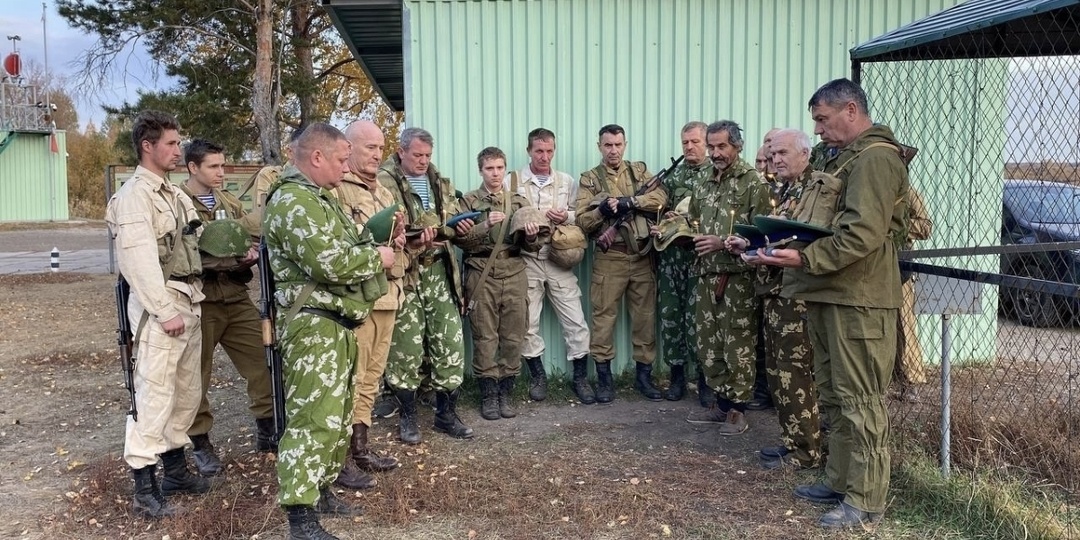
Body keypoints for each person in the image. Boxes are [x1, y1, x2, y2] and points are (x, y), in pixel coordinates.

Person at [754, 78, 909, 528]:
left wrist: (804, 256)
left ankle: (865, 499)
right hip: (829, 292)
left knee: (860, 400)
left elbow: (862, 233)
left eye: (822, 119)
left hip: (858, 301)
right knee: (835, 396)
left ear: (851, 111)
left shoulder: (877, 159)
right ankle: (840, 480)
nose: (818, 130)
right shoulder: (847, 159)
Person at [264, 122, 396, 539]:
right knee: (312, 418)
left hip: (335, 323)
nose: (345, 168)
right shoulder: (293, 201)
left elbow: (352, 241)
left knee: (336, 417)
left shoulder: (320, 198)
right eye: (341, 159)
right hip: (312, 325)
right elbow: (331, 263)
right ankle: (300, 517)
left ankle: (320, 489)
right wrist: (379, 258)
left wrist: (372, 244)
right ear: (316, 157)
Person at [106, 110, 211, 518]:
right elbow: (138, 261)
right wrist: (164, 310)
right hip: (161, 307)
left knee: (185, 393)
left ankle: (174, 471)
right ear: (147, 146)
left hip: (189, 298)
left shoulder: (174, 194)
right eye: (170, 142)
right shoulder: (135, 196)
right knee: (153, 396)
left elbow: (198, 238)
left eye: (178, 141)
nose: (178, 149)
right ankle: (145, 488)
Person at [178, 139, 275, 476]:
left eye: (222, 165)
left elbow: (243, 244)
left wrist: (246, 257)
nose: (221, 172)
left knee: (263, 361)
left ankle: (268, 430)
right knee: (195, 376)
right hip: (200, 302)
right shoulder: (179, 204)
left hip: (235, 296)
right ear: (193, 167)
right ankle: (200, 442)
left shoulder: (230, 203)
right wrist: (220, 258)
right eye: (213, 167)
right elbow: (180, 255)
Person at [728, 128, 822, 469]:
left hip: (797, 295)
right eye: (772, 155)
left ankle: (808, 452)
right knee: (779, 371)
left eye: (782, 154)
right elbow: (778, 235)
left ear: (805, 154)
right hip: (775, 292)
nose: (774, 160)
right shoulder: (787, 189)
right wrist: (750, 246)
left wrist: (765, 253)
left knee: (795, 374)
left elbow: (806, 240)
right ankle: (794, 441)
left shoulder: (815, 189)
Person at [378, 127, 474, 444]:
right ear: (401, 151)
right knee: (405, 347)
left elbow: (451, 219)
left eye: (427, 156)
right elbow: (386, 227)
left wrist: (459, 224)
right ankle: (407, 418)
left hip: (439, 271)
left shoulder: (439, 181)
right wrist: (423, 232)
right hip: (406, 273)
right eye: (417, 155)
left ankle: (446, 416)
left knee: (450, 343)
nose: (422, 161)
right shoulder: (383, 181)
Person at [330, 120, 407, 490]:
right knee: (352, 379)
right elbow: (344, 244)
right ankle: (341, 457)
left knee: (372, 379)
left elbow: (391, 242)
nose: (377, 154)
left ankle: (361, 448)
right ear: (349, 147)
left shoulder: (385, 188)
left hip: (389, 294)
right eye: (368, 148)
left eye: (380, 148)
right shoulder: (338, 190)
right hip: (360, 298)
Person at [682, 120, 771, 435]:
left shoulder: (753, 183)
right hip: (706, 273)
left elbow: (765, 234)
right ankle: (720, 403)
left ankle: (738, 409)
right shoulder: (704, 179)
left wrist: (724, 242)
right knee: (709, 343)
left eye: (722, 146)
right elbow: (693, 217)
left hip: (738, 278)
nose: (716, 153)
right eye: (712, 146)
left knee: (738, 343)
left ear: (737, 146)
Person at [576, 124, 667, 403]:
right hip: (609, 258)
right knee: (603, 319)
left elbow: (661, 197)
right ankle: (605, 380)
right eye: (607, 145)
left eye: (617, 145)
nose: (613, 150)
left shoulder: (639, 172)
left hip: (641, 256)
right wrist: (602, 210)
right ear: (599, 146)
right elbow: (581, 219)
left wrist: (632, 202)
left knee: (645, 319)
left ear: (625, 144)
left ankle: (644, 377)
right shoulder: (590, 179)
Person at [458, 147, 542, 420]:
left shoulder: (517, 201)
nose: (495, 174)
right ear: (480, 170)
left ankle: (506, 392)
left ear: (505, 169)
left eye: (499, 168)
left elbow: (534, 243)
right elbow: (458, 239)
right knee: (484, 336)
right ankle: (488, 395)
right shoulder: (469, 201)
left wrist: (530, 236)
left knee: (514, 335)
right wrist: (483, 225)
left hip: (514, 271)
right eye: (489, 168)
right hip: (481, 272)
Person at [514, 128, 592, 403]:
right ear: (529, 151)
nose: (544, 156)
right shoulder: (514, 182)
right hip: (527, 260)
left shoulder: (567, 181)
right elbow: (510, 220)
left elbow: (580, 215)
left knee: (576, 321)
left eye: (549, 151)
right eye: (539, 151)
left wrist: (566, 216)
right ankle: (538, 377)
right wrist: (527, 227)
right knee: (527, 322)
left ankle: (580, 378)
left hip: (560, 259)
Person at [656, 121, 712, 403]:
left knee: (699, 318)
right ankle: (677, 375)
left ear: (706, 143)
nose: (689, 147)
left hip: (700, 257)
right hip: (671, 257)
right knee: (671, 315)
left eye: (695, 142)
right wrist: (664, 216)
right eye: (685, 143)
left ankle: (704, 379)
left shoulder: (716, 175)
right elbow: (659, 206)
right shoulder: (673, 175)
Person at [895, 186, 932, 400]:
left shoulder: (908, 192)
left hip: (900, 265)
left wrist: (895, 225)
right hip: (868, 263)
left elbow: (925, 227)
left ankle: (910, 381)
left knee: (904, 323)